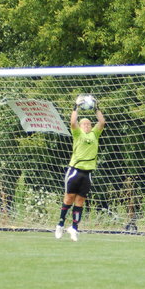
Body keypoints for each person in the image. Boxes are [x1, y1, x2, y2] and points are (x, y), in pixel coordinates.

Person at [55, 95, 105, 242]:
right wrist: (76, 107)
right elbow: (72, 122)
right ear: (81, 126)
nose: (87, 126)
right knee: (69, 198)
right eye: (84, 124)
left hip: (87, 173)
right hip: (75, 171)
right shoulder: (77, 134)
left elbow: (102, 122)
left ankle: (74, 228)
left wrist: (96, 108)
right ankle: (60, 224)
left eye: (89, 124)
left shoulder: (95, 134)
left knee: (80, 200)